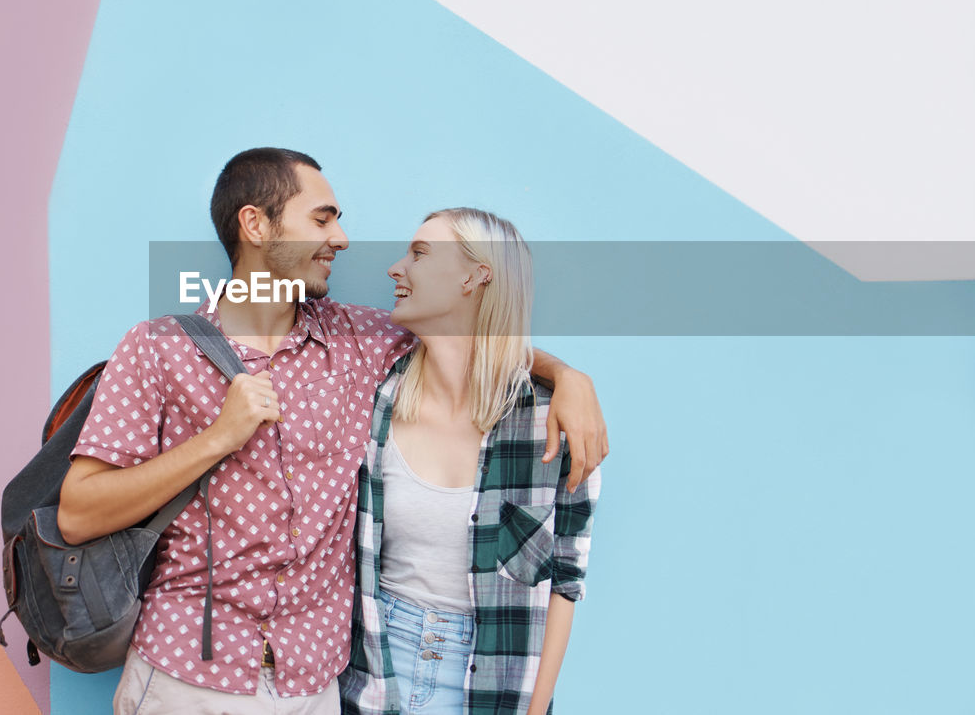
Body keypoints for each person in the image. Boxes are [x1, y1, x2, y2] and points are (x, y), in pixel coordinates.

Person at [56, 149, 607, 714]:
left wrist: (567, 376)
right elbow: (77, 515)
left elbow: (468, 334)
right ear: (256, 225)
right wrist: (217, 438)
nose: (341, 239)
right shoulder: (157, 349)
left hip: (314, 688)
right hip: (186, 677)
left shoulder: (360, 342)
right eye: (322, 219)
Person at [341, 208, 599, 715]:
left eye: (419, 253)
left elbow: (565, 579)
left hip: (488, 685)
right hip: (370, 673)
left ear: (477, 275)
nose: (396, 268)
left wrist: (534, 709)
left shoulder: (554, 419)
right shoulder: (373, 393)